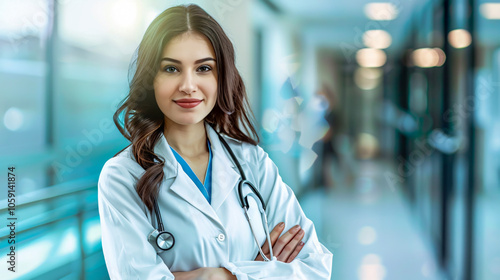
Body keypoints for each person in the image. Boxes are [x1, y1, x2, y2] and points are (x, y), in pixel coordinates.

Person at [97, 4, 332, 280]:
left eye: (204, 68)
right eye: (171, 68)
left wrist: (219, 276)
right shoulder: (122, 176)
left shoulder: (252, 162)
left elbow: (314, 267)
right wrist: (259, 270)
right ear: (151, 79)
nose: (188, 85)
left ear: (221, 78)